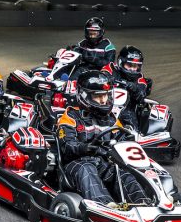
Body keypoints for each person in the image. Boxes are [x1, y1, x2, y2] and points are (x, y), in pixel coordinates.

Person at [56, 70, 150, 208]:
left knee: (122, 172)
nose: (103, 100)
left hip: (102, 164)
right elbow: (66, 145)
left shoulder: (111, 119)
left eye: (105, 95)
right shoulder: (71, 117)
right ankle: (105, 206)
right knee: (87, 169)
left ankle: (143, 204)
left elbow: (121, 138)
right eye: (98, 96)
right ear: (84, 96)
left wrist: (128, 141)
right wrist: (84, 148)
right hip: (75, 165)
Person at [101, 45, 152, 130]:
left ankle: (130, 135)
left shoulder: (140, 78)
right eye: (129, 65)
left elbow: (142, 95)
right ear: (121, 62)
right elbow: (100, 77)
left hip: (126, 109)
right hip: (104, 103)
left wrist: (134, 88)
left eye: (135, 66)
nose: (132, 69)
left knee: (131, 127)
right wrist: (107, 78)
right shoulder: (110, 68)